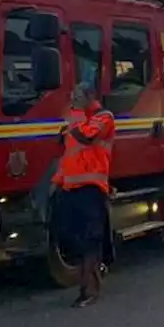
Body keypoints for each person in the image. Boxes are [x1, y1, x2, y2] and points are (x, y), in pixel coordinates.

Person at [53, 83, 116, 308]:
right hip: (70, 188)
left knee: (91, 239)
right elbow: (68, 154)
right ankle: (94, 277)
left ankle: (89, 289)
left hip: (92, 187)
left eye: (78, 96)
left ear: (90, 96)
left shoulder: (103, 117)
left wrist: (76, 114)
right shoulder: (75, 120)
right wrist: (57, 182)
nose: (74, 100)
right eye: (72, 96)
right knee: (72, 239)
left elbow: (85, 137)